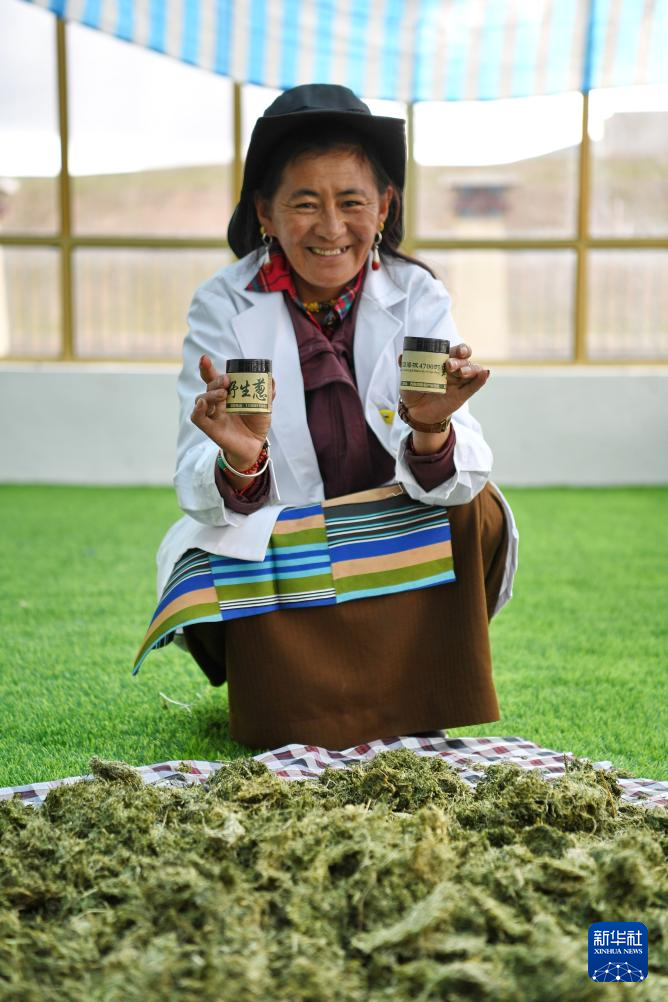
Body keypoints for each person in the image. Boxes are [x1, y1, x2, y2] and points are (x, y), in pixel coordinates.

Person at [135, 84, 518, 751]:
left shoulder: (418, 295)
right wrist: (240, 460)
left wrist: (432, 429)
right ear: (265, 211)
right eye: (305, 203)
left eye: (352, 202)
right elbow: (194, 473)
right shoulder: (223, 302)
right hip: (288, 543)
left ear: (384, 207)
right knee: (236, 550)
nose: (331, 227)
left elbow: (461, 469)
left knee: (475, 509)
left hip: (390, 535)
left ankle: (419, 693)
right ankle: (306, 709)